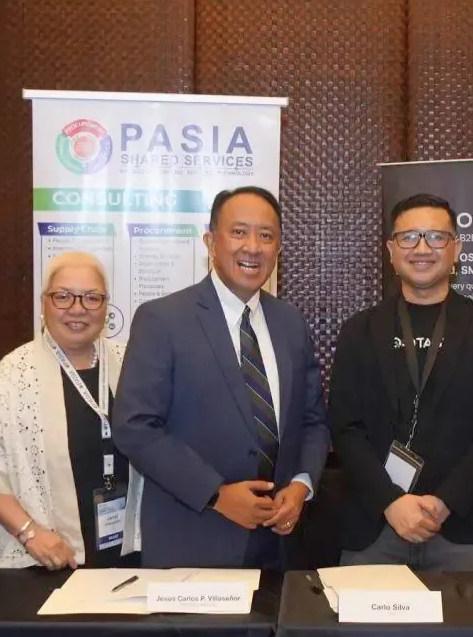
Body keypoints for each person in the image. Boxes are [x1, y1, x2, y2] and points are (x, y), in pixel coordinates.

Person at [112, 186, 329, 569]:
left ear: (278, 249)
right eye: (239, 232)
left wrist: (301, 485)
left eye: (266, 236)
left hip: (279, 545)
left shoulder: (290, 323)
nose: (253, 247)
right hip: (195, 539)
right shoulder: (162, 319)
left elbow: (312, 421)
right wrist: (216, 494)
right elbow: (135, 427)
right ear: (210, 241)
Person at [328, 193, 473, 570]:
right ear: (391, 249)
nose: (422, 248)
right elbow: (345, 428)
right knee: (369, 630)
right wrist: (391, 502)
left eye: (435, 237)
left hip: (458, 529)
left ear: (456, 249)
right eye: (408, 237)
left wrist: (444, 502)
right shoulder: (359, 331)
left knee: (459, 630)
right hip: (374, 526)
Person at [0, 252, 144, 569]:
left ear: (106, 306)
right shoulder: (11, 376)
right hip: (42, 557)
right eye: (63, 296)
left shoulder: (131, 364)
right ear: (44, 304)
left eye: (91, 298)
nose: (77, 308)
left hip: (124, 555)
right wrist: (31, 533)